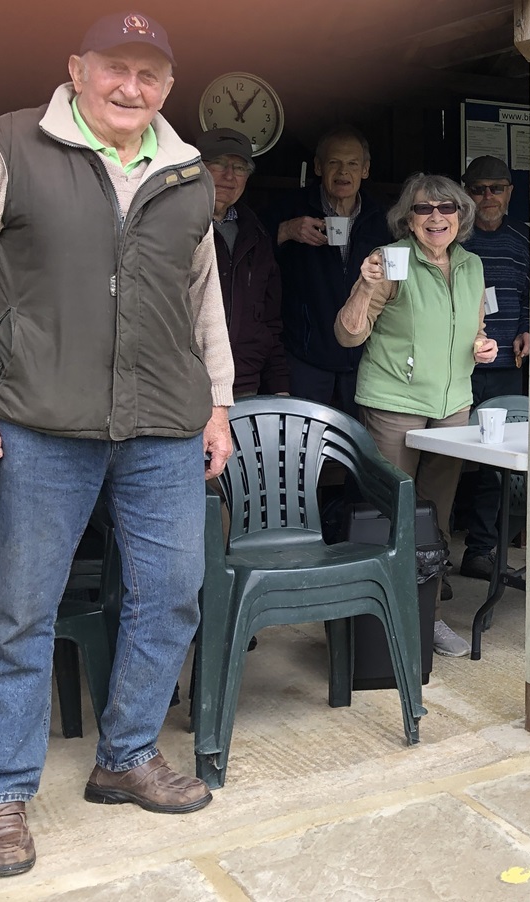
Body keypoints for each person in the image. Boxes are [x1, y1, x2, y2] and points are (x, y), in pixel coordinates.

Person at [0, 11, 232, 876]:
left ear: (168, 87)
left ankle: (125, 755)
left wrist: (217, 407)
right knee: (22, 608)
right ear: (77, 69)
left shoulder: (188, 175)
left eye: (150, 75)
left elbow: (202, 304)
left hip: (164, 421)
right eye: (115, 69)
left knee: (172, 593)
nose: (131, 88)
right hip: (34, 415)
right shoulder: (10, 147)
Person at [335, 173, 496, 657]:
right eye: (425, 209)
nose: (436, 217)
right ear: (408, 217)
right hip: (394, 403)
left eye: (447, 209)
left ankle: (430, 618)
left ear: (461, 216)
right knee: (393, 513)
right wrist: (365, 285)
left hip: (452, 404)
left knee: (437, 515)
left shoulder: (472, 265)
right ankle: (380, 621)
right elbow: (348, 335)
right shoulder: (393, 261)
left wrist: (480, 345)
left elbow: (471, 324)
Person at [267, 125, 392, 417]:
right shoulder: (291, 208)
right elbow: (254, 251)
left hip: (365, 355)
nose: (342, 172)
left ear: (365, 170)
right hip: (305, 353)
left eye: (352, 164)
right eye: (334, 162)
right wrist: (286, 231)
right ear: (319, 167)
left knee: (361, 448)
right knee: (302, 448)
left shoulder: (382, 218)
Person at [455, 155, 530, 581]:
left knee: (498, 465)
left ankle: (481, 551)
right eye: (478, 188)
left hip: (506, 366)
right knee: (443, 460)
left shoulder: (522, 238)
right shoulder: (450, 237)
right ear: (465, 192)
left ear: (509, 193)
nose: (487, 197)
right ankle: (433, 554)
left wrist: (528, 330)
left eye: (496, 188)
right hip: (456, 369)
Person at [199, 127, 288, 397]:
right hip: (185, 385)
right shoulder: (174, 224)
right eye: (220, 164)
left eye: (239, 168)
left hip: (243, 383)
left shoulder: (256, 234)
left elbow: (270, 319)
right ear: (198, 168)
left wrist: (279, 385)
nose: (229, 176)